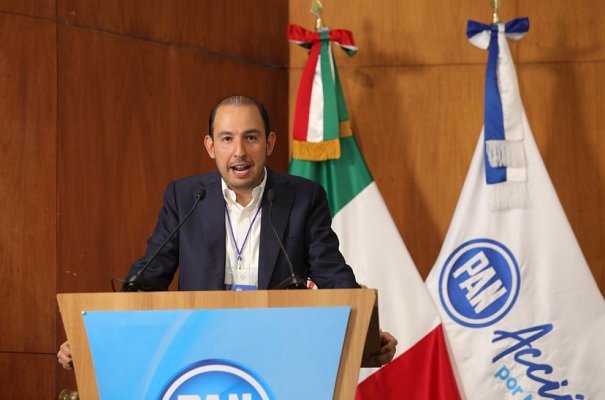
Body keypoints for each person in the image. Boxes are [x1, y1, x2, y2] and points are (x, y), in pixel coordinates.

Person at [57, 95, 397, 368]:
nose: (239, 152)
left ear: (269, 142)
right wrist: (95, 340)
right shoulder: (186, 197)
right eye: (227, 139)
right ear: (210, 146)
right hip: (200, 354)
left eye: (251, 137)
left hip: (278, 352)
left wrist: (368, 336)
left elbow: (331, 273)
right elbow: (148, 278)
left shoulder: (303, 198)